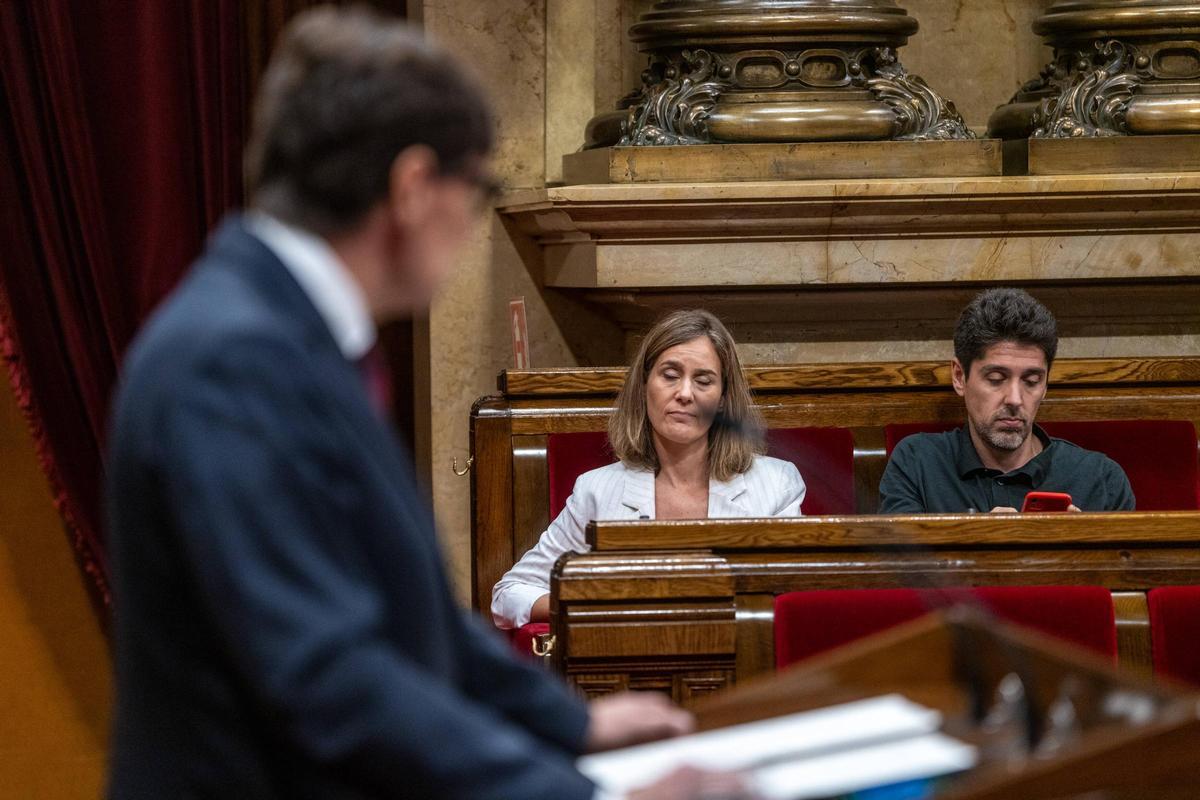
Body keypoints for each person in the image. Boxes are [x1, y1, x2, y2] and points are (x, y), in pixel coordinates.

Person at [105, 9, 754, 799]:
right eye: (477, 187)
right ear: (413, 187)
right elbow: (325, 674)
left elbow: (413, 615)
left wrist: (571, 724)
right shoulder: (232, 360)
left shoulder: (287, 334)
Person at [493, 309, 806, 630]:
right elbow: (509, 595)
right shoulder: (597, 491)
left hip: (744, 667)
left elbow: (794, 600)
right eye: (670, 375)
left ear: (723, 399)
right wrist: (593, 602)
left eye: (703, 380)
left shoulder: (777, 485)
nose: (685, 394)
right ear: (644, 385)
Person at [878, 287, 1134, 513]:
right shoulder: (917, 463)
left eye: (1031, 381)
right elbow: (899, 566)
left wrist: (1074, 556)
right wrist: (984, 545)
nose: (1014, 399)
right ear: (959, 377)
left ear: (1045, 384)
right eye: (996, 378)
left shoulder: (1101, 479)